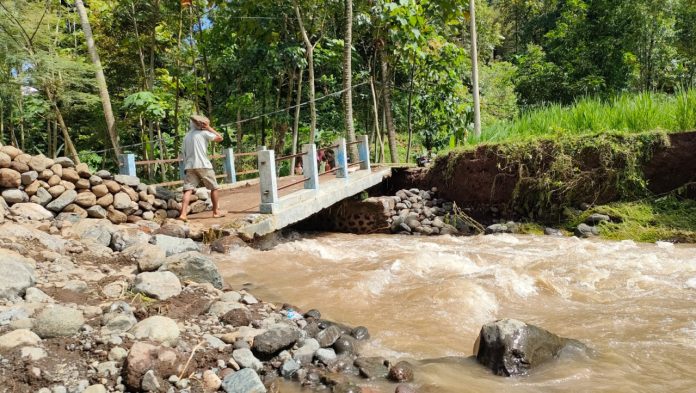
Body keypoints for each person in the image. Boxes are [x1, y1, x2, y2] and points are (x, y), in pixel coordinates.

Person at [178, 114, 226, 221]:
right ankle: (216, 212)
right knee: (214, 188)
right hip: (204, 165)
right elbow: (220, 138)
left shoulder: (186, 136)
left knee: (188, 190)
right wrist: (209, 128)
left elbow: (183, 152)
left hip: (190, 166)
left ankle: (183, 214)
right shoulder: (204, 133)